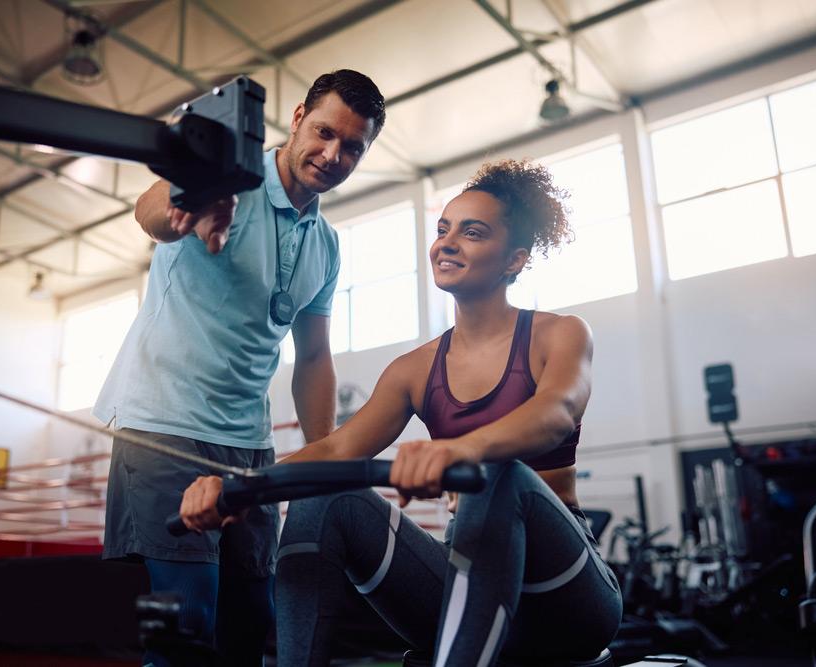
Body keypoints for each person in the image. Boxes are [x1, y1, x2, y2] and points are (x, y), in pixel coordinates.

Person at [181, 159, 623, 666]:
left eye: (473, 233)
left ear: (514, 260)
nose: (447, 243)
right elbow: (336, 449)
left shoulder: (560, 333)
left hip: (563, 600)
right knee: (321, 491)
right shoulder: (414, 369)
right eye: (443, 230)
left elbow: (556, 412)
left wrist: (459, 451)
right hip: (461, 587)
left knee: (497, 475)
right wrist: (239, 487)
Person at [94, 69, 385, 666]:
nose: (333, 155)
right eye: (326, 132)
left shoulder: (325, 245)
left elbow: (314, 357)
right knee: (186, 624)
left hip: (249, 447)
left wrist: (323, 457)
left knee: (252, 625)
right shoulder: (228, 181)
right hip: (163, 427)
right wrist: (183, 208)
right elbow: (149, 208)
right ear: (299, 115)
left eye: (353, 146)